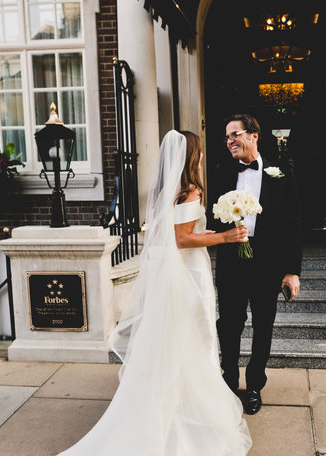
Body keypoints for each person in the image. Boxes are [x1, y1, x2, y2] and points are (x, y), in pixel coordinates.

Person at [57, 130, 252, 456]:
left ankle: (173, 408)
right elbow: (182, 239)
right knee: (194, 341)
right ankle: (187, 419)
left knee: (173, 344)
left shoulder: (167, 190)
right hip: (188, 275)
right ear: (192, 156)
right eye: (200, 152)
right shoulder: (190, 191)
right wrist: (226, 237)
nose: (203, 157)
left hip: (174, 276)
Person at [213, 114, 303, 415]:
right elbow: (211, 214)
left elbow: (293, 222)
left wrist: (292, 271)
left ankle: (254, 386)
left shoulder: (281, 172)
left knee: (263, 326)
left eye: (235, 134)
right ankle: (229, 381)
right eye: (226, 137)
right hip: (230, 261)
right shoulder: (221, 170)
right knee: (228, 325)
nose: (229, 141)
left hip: (269, 264)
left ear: (254, 135)